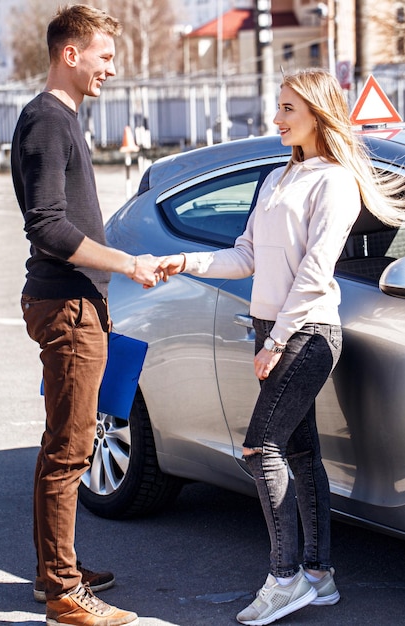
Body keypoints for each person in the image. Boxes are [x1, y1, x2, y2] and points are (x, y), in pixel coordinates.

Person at [159, 68, 405, 626]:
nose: (277, 118)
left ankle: (284, 578)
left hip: (309, 332)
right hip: (274, 327)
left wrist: (277, 340)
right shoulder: (275, 179)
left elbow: (316, 274)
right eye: (278, 107)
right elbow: (246, 256)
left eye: (288, 108)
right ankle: (317, 576)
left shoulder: (335, 182)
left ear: (318, 112)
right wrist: (187, 262)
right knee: (299, 454)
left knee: (259, 448)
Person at [11, 5, 163, 625]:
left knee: (66, 444)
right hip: (66, 304)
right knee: (70, 449)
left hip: (79, 303)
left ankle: (59, 568)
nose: (111, 68)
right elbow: (47, 226)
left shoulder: (65, 119)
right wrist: (125, 264)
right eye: (103, 56)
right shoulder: (46, 121)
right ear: (69, 54)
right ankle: (63, 593)